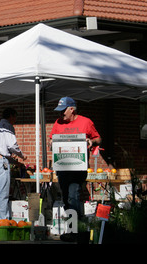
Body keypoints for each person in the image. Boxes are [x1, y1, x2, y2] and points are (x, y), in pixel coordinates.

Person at [49, 97, 101, 242]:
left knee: (74, 196)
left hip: (78, 168)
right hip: (62, 168)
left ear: (72, 109)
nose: (61, 115)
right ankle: (75, 231)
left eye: (63, 111)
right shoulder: (58, 123)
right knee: (66, 199)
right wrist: (51, 142)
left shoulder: (86, 122)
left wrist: (91, 141)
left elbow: (98, 138)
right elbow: (51, 139)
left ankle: (77, 231)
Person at [0, 108, 25, 220]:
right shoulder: (8, 127)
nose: (15, 120)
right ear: (11, 116)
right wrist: (22, 155)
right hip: (0, 161)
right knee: (3, 193)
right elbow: (12, 146)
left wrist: (14, 162)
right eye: (15, 118)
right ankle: (3, 220)